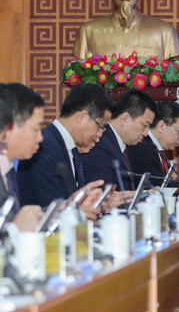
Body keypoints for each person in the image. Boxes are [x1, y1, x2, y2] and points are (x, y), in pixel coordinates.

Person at [14, 84, 111, 219]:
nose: (100, 135)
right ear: (82, 116)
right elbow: (49, 207)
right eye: (101, 126)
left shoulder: (68, 146)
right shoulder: (44, 147)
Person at [80, 89, 157, 191]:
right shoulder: (99, 144)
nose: (145, 133)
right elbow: (101, 194)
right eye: (144, 125)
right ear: (124, 118)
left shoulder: (119, 144)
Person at [0, 86, 45, 231]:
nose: (40, 138)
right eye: (36, 129)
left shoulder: (9, 168)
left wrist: (64, 210)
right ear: (9, 129)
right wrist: (14, 229)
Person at [126, 101, 179, 186]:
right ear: (161, 126)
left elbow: (164, 182)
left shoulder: (156, 148)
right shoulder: (140, 148)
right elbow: (157, 186)